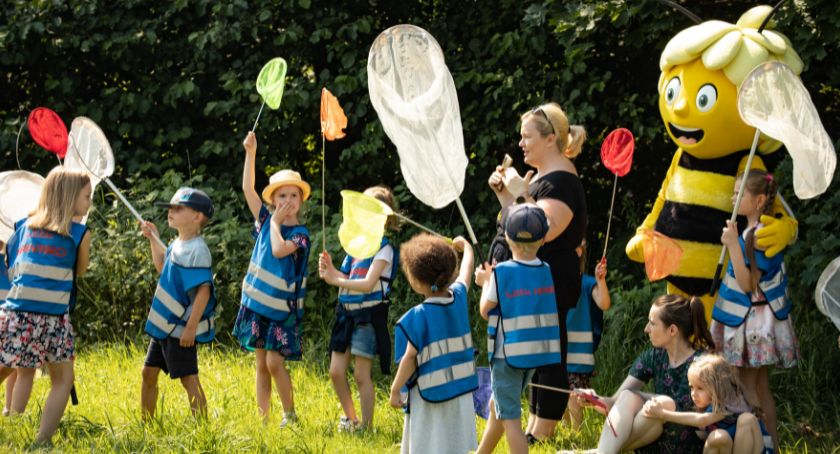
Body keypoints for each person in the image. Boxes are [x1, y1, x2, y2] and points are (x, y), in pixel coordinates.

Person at [487, 102, 588, 441]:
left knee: (548, 351)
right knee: (533, 349)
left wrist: (520, 191)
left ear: (550, 139)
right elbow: (518, 227)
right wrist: (507, 197)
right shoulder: (544, 178)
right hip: (530, 281)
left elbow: (539, 230)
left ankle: (543, 431)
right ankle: (532, 427)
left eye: (527, 136)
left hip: (551, 281)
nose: (521, 143)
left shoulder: (562, 182)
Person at [0, 167, 92, 445]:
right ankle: (41, 441)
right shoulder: (79, 234)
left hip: (15, 315)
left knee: (4, 368)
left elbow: (12, 264)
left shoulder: (22, 226)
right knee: (62, 380)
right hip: (53, 320)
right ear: (69, 198)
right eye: (86, 197)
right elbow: (81, 271)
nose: (89, 203)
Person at [562, 294, 713, 454]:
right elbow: (615, 404)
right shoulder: (654, 355)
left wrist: (664, 411)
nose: (646, 328)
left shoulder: (702, 364)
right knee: (628, 396)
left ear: (672, 330)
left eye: (652, 324)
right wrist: (595, 400)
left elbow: (706, 425)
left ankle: (595, 452)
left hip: (686, 446)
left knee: (664, 403)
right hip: (653, 440)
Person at [713, 169, 798, 450]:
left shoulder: (762, 235)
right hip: (751, 320)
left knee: (746, 388)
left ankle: (757, 446)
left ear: (760, 200)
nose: (733, 198)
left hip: (752, 324)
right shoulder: (751, 231)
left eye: (740, 194)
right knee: (760, 388)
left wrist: (732, 246)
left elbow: (749, 283)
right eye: (733, 192)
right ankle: (771, 446)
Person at [234, 132, 312, 427]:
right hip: (257, 305)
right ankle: (263, 419)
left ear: (301, 200)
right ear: (273, 200)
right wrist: (251, 153)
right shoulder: (267, 221)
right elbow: (247, 187)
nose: (287, 201)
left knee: (274, 362)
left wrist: (277, 223)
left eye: (293, 195)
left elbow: (279, 250)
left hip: (281, 311)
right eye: (282, 196)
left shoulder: (299, 234)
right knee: (260, 364)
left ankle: (289, 415)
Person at [474, 204, 561, 454]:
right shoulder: (545, 270)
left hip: (505, 356)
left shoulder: (501, 272)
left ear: (507, 238)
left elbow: (485, 310)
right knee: (498, 406)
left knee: (510, 418)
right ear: (544, 239)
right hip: (531, 356)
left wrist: (485, 283)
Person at [320, 185, 400, 432]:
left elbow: (366, 285)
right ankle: (351, 418)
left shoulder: (384, 248)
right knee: (335, 371)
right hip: (346, 315)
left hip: (367, 317)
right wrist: (330, 269)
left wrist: (336, 279)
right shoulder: (355, 248)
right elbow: (342, 276)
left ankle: (366, 426)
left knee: (361, 375)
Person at [389, 234, 478, 454]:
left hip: (430, 397)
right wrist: (467, 247)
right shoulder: (458, 296)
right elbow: (467, 269)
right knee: (454, 445)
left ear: (417, 282)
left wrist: (394, 389)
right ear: (450, 272)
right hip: (460, 395)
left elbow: (410, 358)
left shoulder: (418, 316)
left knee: (431, 445)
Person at [139, 187, 217, 419]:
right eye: (170, 208)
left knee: (188, 378)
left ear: (197, 216)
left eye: (178, 208)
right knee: (148, 373)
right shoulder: (176, 244)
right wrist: (154, 239)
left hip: (181, 327)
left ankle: (202, 427)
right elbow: (163, 267)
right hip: (164, 325)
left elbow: (203, 292)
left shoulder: (198, 251)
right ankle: (147, 425)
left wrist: (191, 328)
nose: (170, 212)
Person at [642, 354, 773, 454]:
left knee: (747, 419)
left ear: (717, 387)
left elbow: (702, 420)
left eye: (700, 388)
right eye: (691, 387)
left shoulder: (731, 402)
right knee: (719, 437)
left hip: (757, 449)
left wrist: (663, 414)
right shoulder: (707, 405)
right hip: (731, 446)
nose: (694, 393)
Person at [564, 239, 611, 430]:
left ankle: (577, 433)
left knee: (575, 394)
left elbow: (604, 303)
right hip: (557, 350)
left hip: (577, 354)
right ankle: (565, 431)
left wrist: (601, 281)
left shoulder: (587, 282)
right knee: (559, 393)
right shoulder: (551, 279)